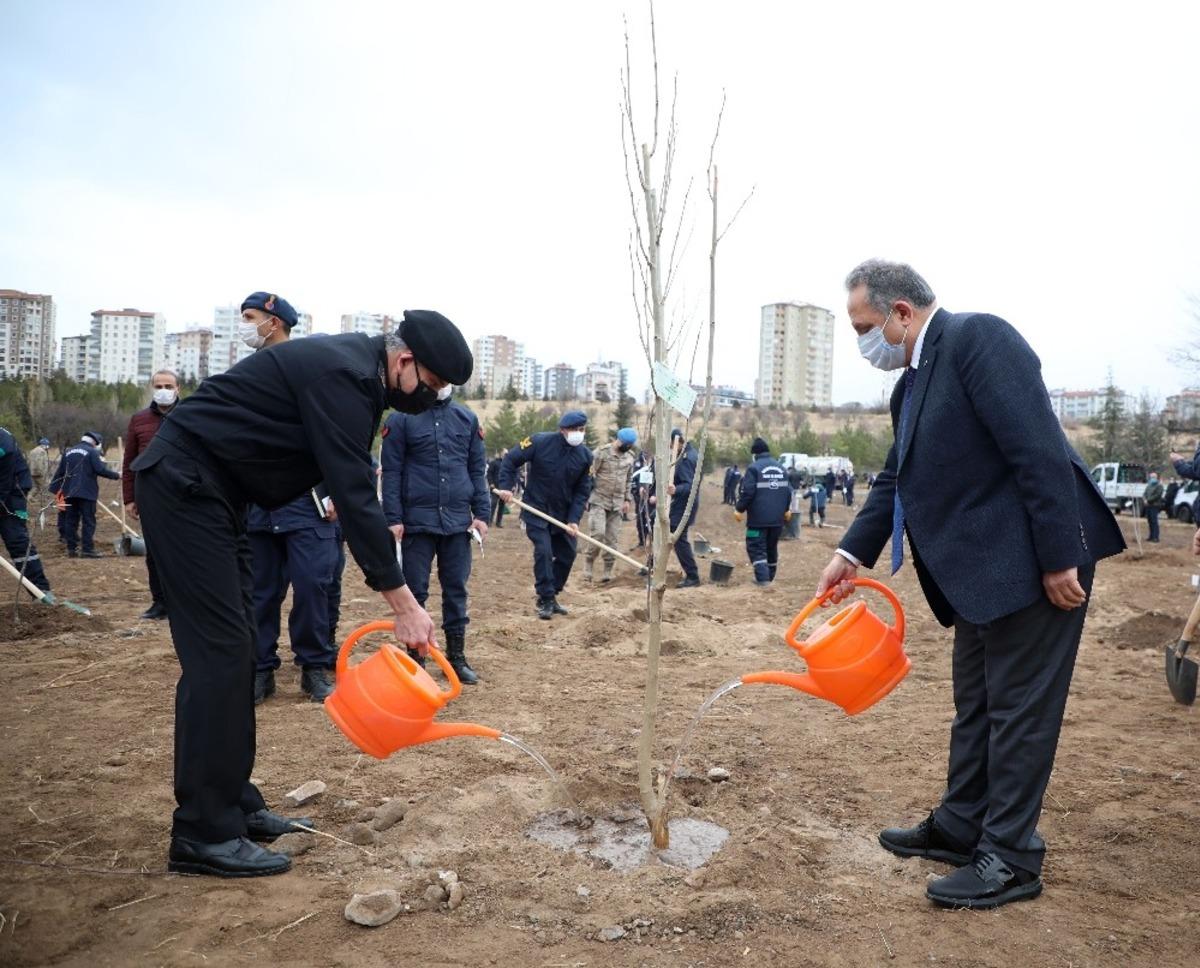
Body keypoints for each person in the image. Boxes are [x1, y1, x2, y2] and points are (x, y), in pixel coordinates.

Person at [816, 259, 1124, 910]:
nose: (863, 341)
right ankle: (961, 826)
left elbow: (1037, 449)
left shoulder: (979, 341)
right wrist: (852, 552)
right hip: (981, 577)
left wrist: (1059, 554)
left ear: (902, 313)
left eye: (864, 325)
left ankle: (1011, 858)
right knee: (978, 706)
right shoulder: (911, 386)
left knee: (1020, 713)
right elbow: (894, 481)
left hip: (1035, 565)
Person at [131, 304, 472, 879]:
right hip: (185, 488)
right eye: (431, 385)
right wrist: (404, 604)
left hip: (220, 498)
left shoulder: (359, 375)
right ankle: (201, 832)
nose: (429, 399)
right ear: (405, 360)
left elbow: (336, 473)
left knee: (236, 653)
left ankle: (232, 801)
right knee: (220, 657)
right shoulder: (345, 375)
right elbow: (356, 489)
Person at [238, 297, 342, 705]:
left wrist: (335, 488)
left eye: (250, 319)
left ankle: (313, 668)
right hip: (260, 505)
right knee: (260, 592)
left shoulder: (309, 372)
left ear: (273, 323)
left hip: (308, 502)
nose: (244, 326)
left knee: (313, 587)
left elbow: (339, 435)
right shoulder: (244, 375)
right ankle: (260, 670)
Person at [381, 390, 490, 683]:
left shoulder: (466, 418)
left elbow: (477, 469)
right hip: (416, 522)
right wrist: (393, 517)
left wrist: (481, 513)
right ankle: (415, 659)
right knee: (415, 591)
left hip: (457, 522)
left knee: (456, 589)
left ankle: (456, 657)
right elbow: (391, 471)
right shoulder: (402, 418)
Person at [496, 411, 592, 620]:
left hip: (563, 516)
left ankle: (552, 593)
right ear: (563, 430)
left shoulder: (585, 457)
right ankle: (545, 597)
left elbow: (582, 491)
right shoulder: (539, 442)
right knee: (544, 552)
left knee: (568, 555)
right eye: (575, 430)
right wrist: (506, 487)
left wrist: (574, 520)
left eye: (582, 430)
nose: (579, 434)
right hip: (536, 510)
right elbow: (511, 460)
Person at [122, 369, 180, 619]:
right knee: (155, 553)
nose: (164, 390)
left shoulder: (191, 415)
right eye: (159, 386)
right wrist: (129, 498)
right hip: (151, 497)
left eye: (169, 385)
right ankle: (160, 602)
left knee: (185, 551)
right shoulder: (139, 419)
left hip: (184, 496)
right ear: (152, 389)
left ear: (178, 389)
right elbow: (129, 461)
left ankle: (185, 602)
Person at [0, 426, 53, 597]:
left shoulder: (3, 444)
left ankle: (40, 591)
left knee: (17, 540)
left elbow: (3, 484)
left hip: (13, 494)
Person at [50, 431, 120, 558]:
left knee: (71, 520)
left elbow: (60, 472)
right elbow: (100, 470)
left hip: (69, 492)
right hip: (86, 492)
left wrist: (56, 490)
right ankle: (87, 549)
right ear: (94, 442)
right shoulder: (92, 452)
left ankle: (72, 549)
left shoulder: (68, 452)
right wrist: (117, 475)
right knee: (88, 521)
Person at [734, 437, 791, 585]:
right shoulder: (781, 468)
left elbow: (748, 492)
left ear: (755, 454)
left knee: (756, 547)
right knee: (771, 548)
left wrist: (739, 509)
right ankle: (769, 577)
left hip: (758, 522)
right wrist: (786, 509)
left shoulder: (753, 469)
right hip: (777, 521)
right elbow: (788, 491)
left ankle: (764, 581)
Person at [583, 427, 637, 582]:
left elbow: (628, 480)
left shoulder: (630, 457)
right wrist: (585, 497)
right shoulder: (601, 453)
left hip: (618, 504)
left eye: (630, 445)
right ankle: (589, 564)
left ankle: (608, 570)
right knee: (598, 534)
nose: (627, 447)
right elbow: (589, 475)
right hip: (599, 499)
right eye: (625, 443)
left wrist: (627, 499)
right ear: (618, 440)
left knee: (612, 539)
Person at [651, 427, 701, 588]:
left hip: (684, 506)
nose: (669, 448)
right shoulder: (683, 455)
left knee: (678, 538)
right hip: (678, 504)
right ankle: (654, 565)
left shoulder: (687, 458)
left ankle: (693, 576)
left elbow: (691, 485)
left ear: (678, 443)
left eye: (670, 445)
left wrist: (675, 490)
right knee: (662, 529)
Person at [631, 450, 653, 548]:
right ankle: (642, 541)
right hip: (640, 497)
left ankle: (652, 541)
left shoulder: (656, 464)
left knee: (651, 519)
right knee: (641, 518)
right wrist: (639, 488)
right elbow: (635, 478)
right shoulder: (638, 463)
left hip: (653, 496)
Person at [486, 449, 508, 528]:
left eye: (507, 454)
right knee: (493, 504)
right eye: (504, 454)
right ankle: (489, 521)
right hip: (495, 488)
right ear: (501, 454)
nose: (506, 455)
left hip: (504, 488)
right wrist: (491, 483)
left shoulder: (507, 464)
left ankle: (498, 522)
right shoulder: (494, 463)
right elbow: (489, 474)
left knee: (502, 506)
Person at [27, 436, 51, 505]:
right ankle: (44, 501)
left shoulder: (32, 451)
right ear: (45, 444)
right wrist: (41, 472)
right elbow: (39, 462)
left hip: (32, 472)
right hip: (39, 473)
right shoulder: (42, 451)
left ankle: (29, 497)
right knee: (45, 486)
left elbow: (29, 462)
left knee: (36, 487)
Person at [1142, 471, 1164, 543]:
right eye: (1151, 477)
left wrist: (1148, 500)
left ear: (1156, 477)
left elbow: (1157, 495)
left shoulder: (1159, 486)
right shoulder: (1149, 485)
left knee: (1154, 522)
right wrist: (1144, 499)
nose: (1152, 478)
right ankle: (1151, 536)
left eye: (1153, 477)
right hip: (1148, 506)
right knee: (1150, 521)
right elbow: (1144, 493)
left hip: (1154, 505)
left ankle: (1156, 537)